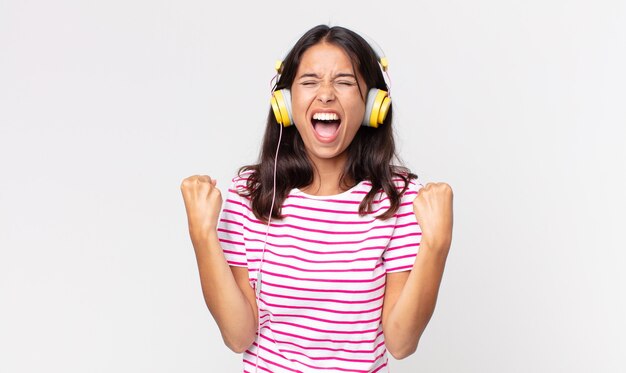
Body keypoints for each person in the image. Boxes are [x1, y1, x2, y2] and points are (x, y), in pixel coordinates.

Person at [180, 24, 454, 373]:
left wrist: (437, 243)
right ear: (285, 103)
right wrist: (202, 236)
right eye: (309, 81)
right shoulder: (251, 193)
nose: (325, 94)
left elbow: (401, 342)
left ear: (373, 105)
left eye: (344, 81)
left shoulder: (398, 200)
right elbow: (238, 336)